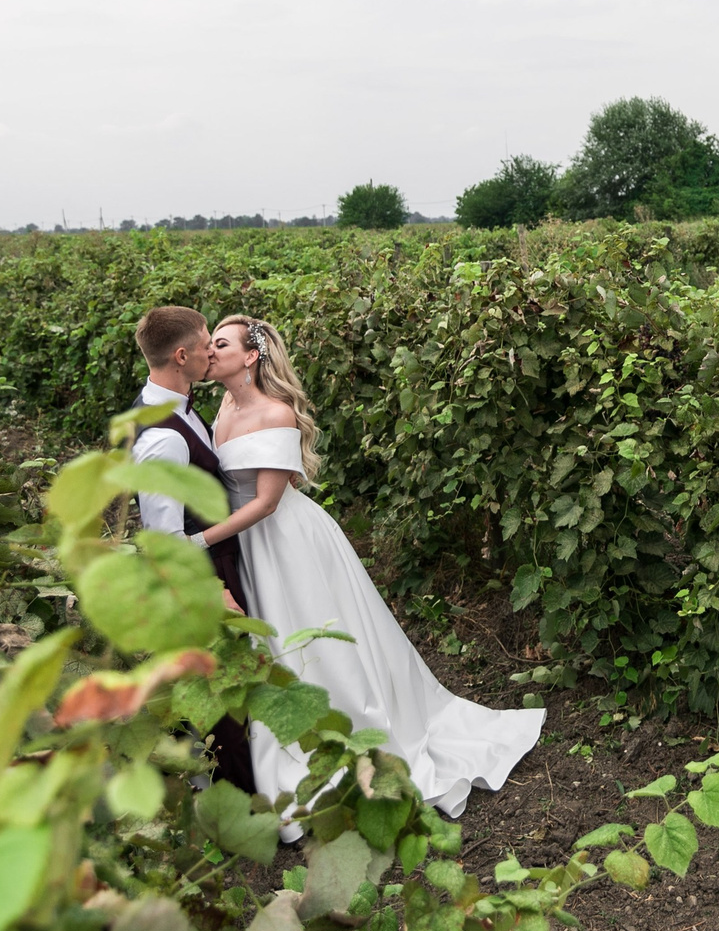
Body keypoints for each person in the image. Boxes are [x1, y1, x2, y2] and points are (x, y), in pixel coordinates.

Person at [194, 314, 543, 816]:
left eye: (219, 344)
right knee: (272, 642)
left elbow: (268, 501)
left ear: (250, 356)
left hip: (284, 541)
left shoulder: (275, 413)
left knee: (312, 640)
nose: (209, 351)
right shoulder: (224, 402)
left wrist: (197, 539)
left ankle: (340, 740)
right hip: (247, 545)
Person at [126, 305, 259, 792]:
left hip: (214, 558)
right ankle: (240, 800)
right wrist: (213, 589)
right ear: (181, 356)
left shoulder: (171, 405)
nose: (212, 350)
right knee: (220, 686)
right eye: (206, 344)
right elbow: (164, 541)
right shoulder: (164, 438)